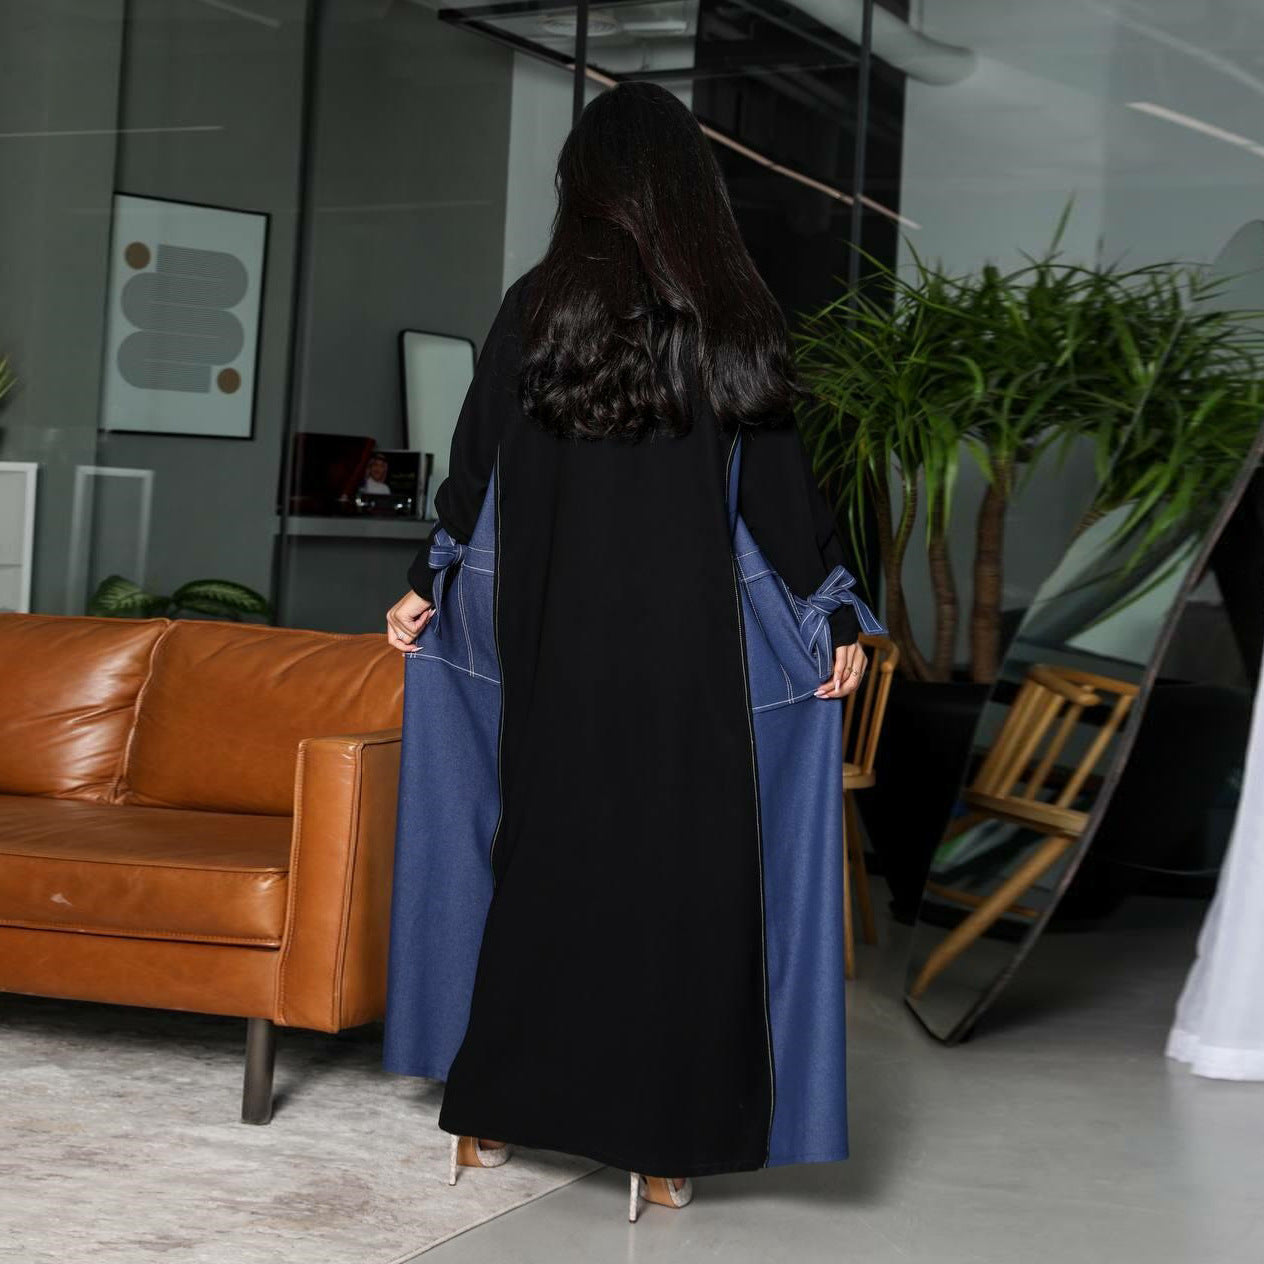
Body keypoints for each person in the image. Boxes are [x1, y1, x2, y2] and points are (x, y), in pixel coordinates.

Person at [383, 81, 875, 1222]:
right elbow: (785, 494)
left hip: (550, 652)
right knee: (681, 889)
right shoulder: (733, 312)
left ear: (586, 186)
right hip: (693, 669)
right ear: (691, 189)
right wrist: (835, 611)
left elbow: (475, 464)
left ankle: (491, 1114)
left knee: (539, 867)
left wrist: (425, 579)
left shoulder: (537, 306)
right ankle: (662, 1148)